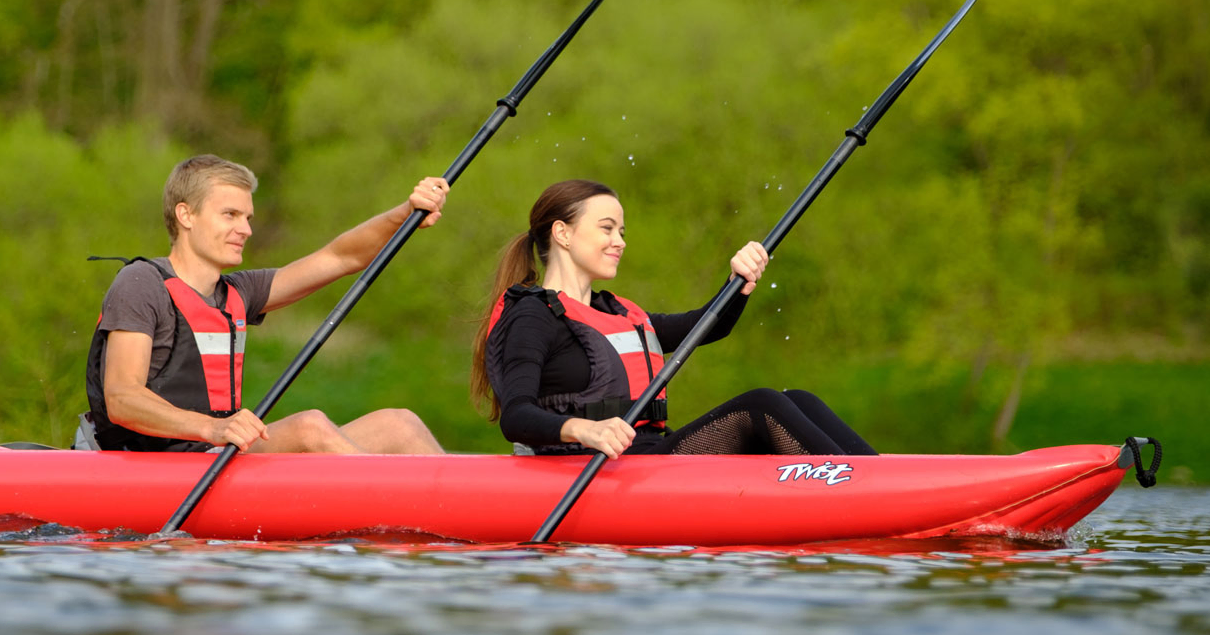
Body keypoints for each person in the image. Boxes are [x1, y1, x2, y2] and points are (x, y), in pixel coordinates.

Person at [471, 179, 877, 459]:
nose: (620, 242)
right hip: (585, 466)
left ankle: (880, 476)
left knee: (797, 400)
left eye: (623, 231)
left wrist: (738, 283)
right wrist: (587, 430)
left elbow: (707, 326)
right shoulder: (531, 315)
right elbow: (517, 417)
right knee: (762, 405)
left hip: (646, 456)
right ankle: (867, 492)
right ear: (562, 233)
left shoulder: (614, 312)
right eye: (607, 228)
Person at [85, 153, 448, 454]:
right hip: (149, 467)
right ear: (186, 215)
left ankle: (463, 523)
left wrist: (406, 213)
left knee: (399, 424)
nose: (246, 229)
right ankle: (402, 507)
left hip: (215, 458)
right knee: (309, 427)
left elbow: (340, 258)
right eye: (230, 215)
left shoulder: (239, 292)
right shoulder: (140, 284)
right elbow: (122, 398)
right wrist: (214, 427)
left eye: (248, 218)